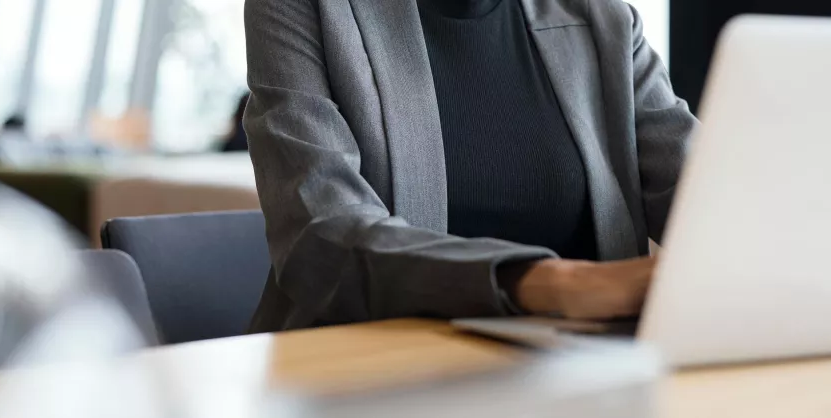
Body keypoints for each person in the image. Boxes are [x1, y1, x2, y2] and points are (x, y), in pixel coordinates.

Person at [243, 0, 697, 332]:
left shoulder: (605, 21)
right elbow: (321, 235)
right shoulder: (303, 8)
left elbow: (711, 192)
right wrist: (554, 283)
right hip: (365, 376)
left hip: (579, 376)